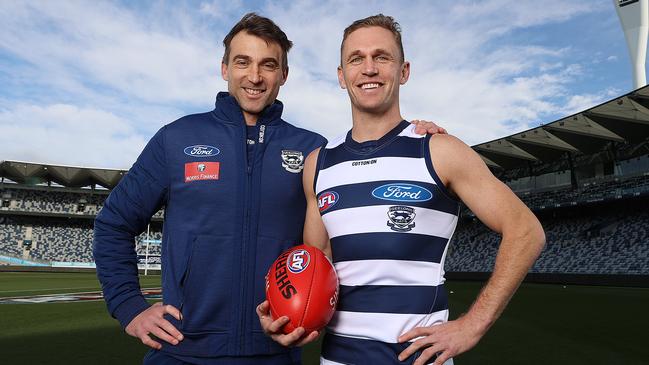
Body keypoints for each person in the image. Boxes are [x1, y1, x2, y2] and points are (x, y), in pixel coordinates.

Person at [93, 13, 445, 365]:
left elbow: (349, 213)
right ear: (224, 68)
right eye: (242, 62)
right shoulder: (176, 138)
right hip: (182, 349)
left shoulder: (314, 152)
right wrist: (129, 306)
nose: (255, 76)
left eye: (269, 65)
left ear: (284, 75)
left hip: (276, 352)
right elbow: (114, 223)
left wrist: (412, 136)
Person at [258, 14, 546, 365]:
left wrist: (472, 325)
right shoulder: (318, 164)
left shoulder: (440, 150)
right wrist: (289, 316)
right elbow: (315, 263)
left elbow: (526, 231)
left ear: (403, 71)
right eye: (356, 59)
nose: (369, 69)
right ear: (341, 75)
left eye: (382, 57)